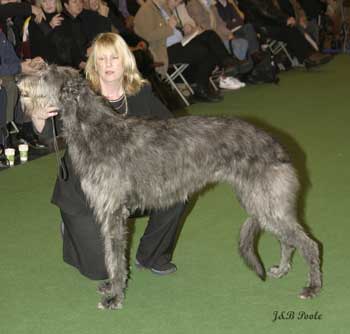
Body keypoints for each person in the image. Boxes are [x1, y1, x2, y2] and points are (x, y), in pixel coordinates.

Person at [30, 32, 187, 281]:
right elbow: (50, 136)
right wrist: (39, 120)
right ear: (94, 64)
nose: (108, 65)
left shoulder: (141, 93)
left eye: (114, 58)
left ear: (125, 61)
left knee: (177, 189)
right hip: (86, 192)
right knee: (99, 271)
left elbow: (171, 130)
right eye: (101, 59)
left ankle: (152, 255)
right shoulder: (79, 93)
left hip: (131, 185)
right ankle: (72, 230)